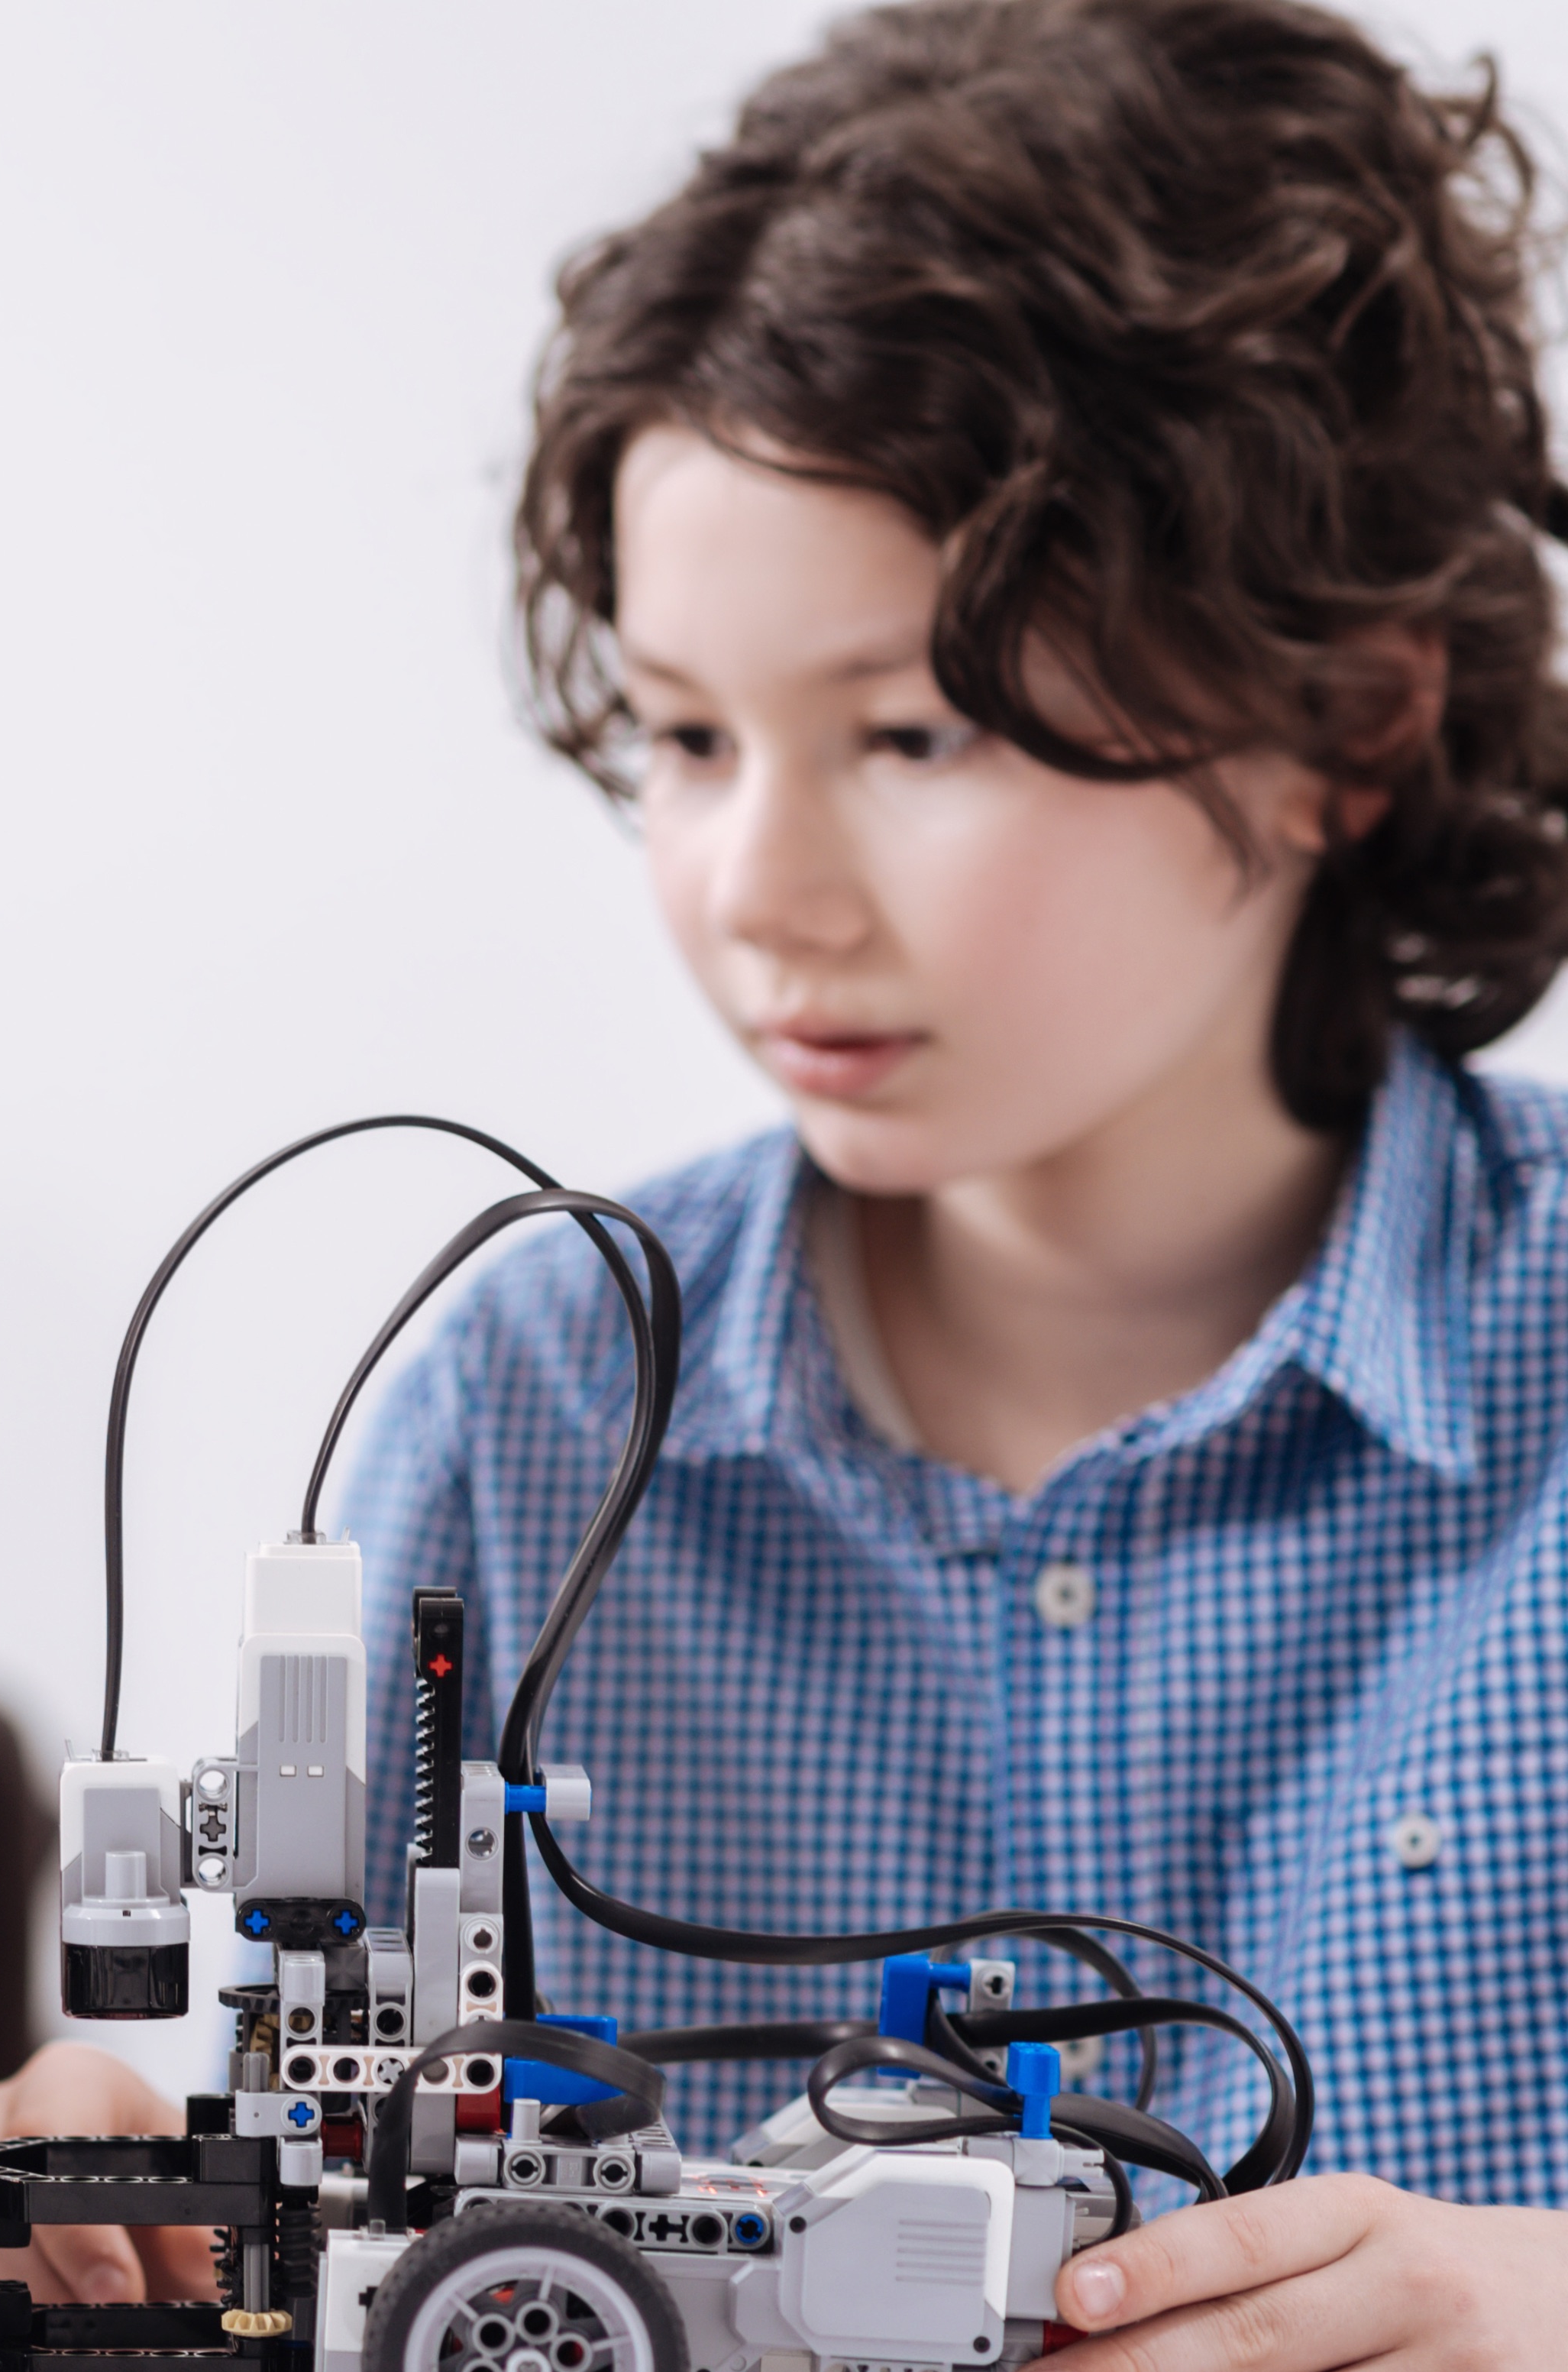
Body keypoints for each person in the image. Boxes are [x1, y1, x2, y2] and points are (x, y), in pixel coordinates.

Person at [341, 2, 1568, 2364]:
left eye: (916, 731)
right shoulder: (526, 1405)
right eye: (690, 737)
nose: (758, 887)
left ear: (1347, 716)